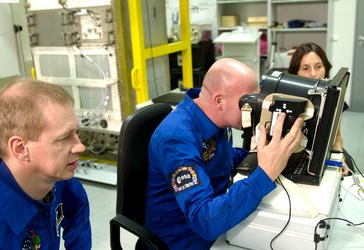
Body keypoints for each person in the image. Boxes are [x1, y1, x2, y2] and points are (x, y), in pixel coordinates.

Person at [145, 58, 304, 249]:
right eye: (247, 101)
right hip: (184, 239)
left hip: (215, 224)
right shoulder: (176, 139)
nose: (253, 108)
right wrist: (265, 173)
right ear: (219, 100)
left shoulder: (214, 118)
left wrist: (264, 154)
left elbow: (221, 158)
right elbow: (205, 221)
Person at [0, 79, 91, 249]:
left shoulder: (62, 185)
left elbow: (77, 209)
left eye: (76, 132)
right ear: (21, 148)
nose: (80, 146)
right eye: (64, 137)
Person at [288, 42, 353, 176]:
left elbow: (337, 136)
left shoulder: (334, 99)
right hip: (292, 154)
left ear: (325, 68)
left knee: (347, 166)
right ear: (296, 72)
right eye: (305, 68)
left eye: (318, 67)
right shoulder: (285, 99)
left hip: (322, 151)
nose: (313, 74)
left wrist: (339, 157)